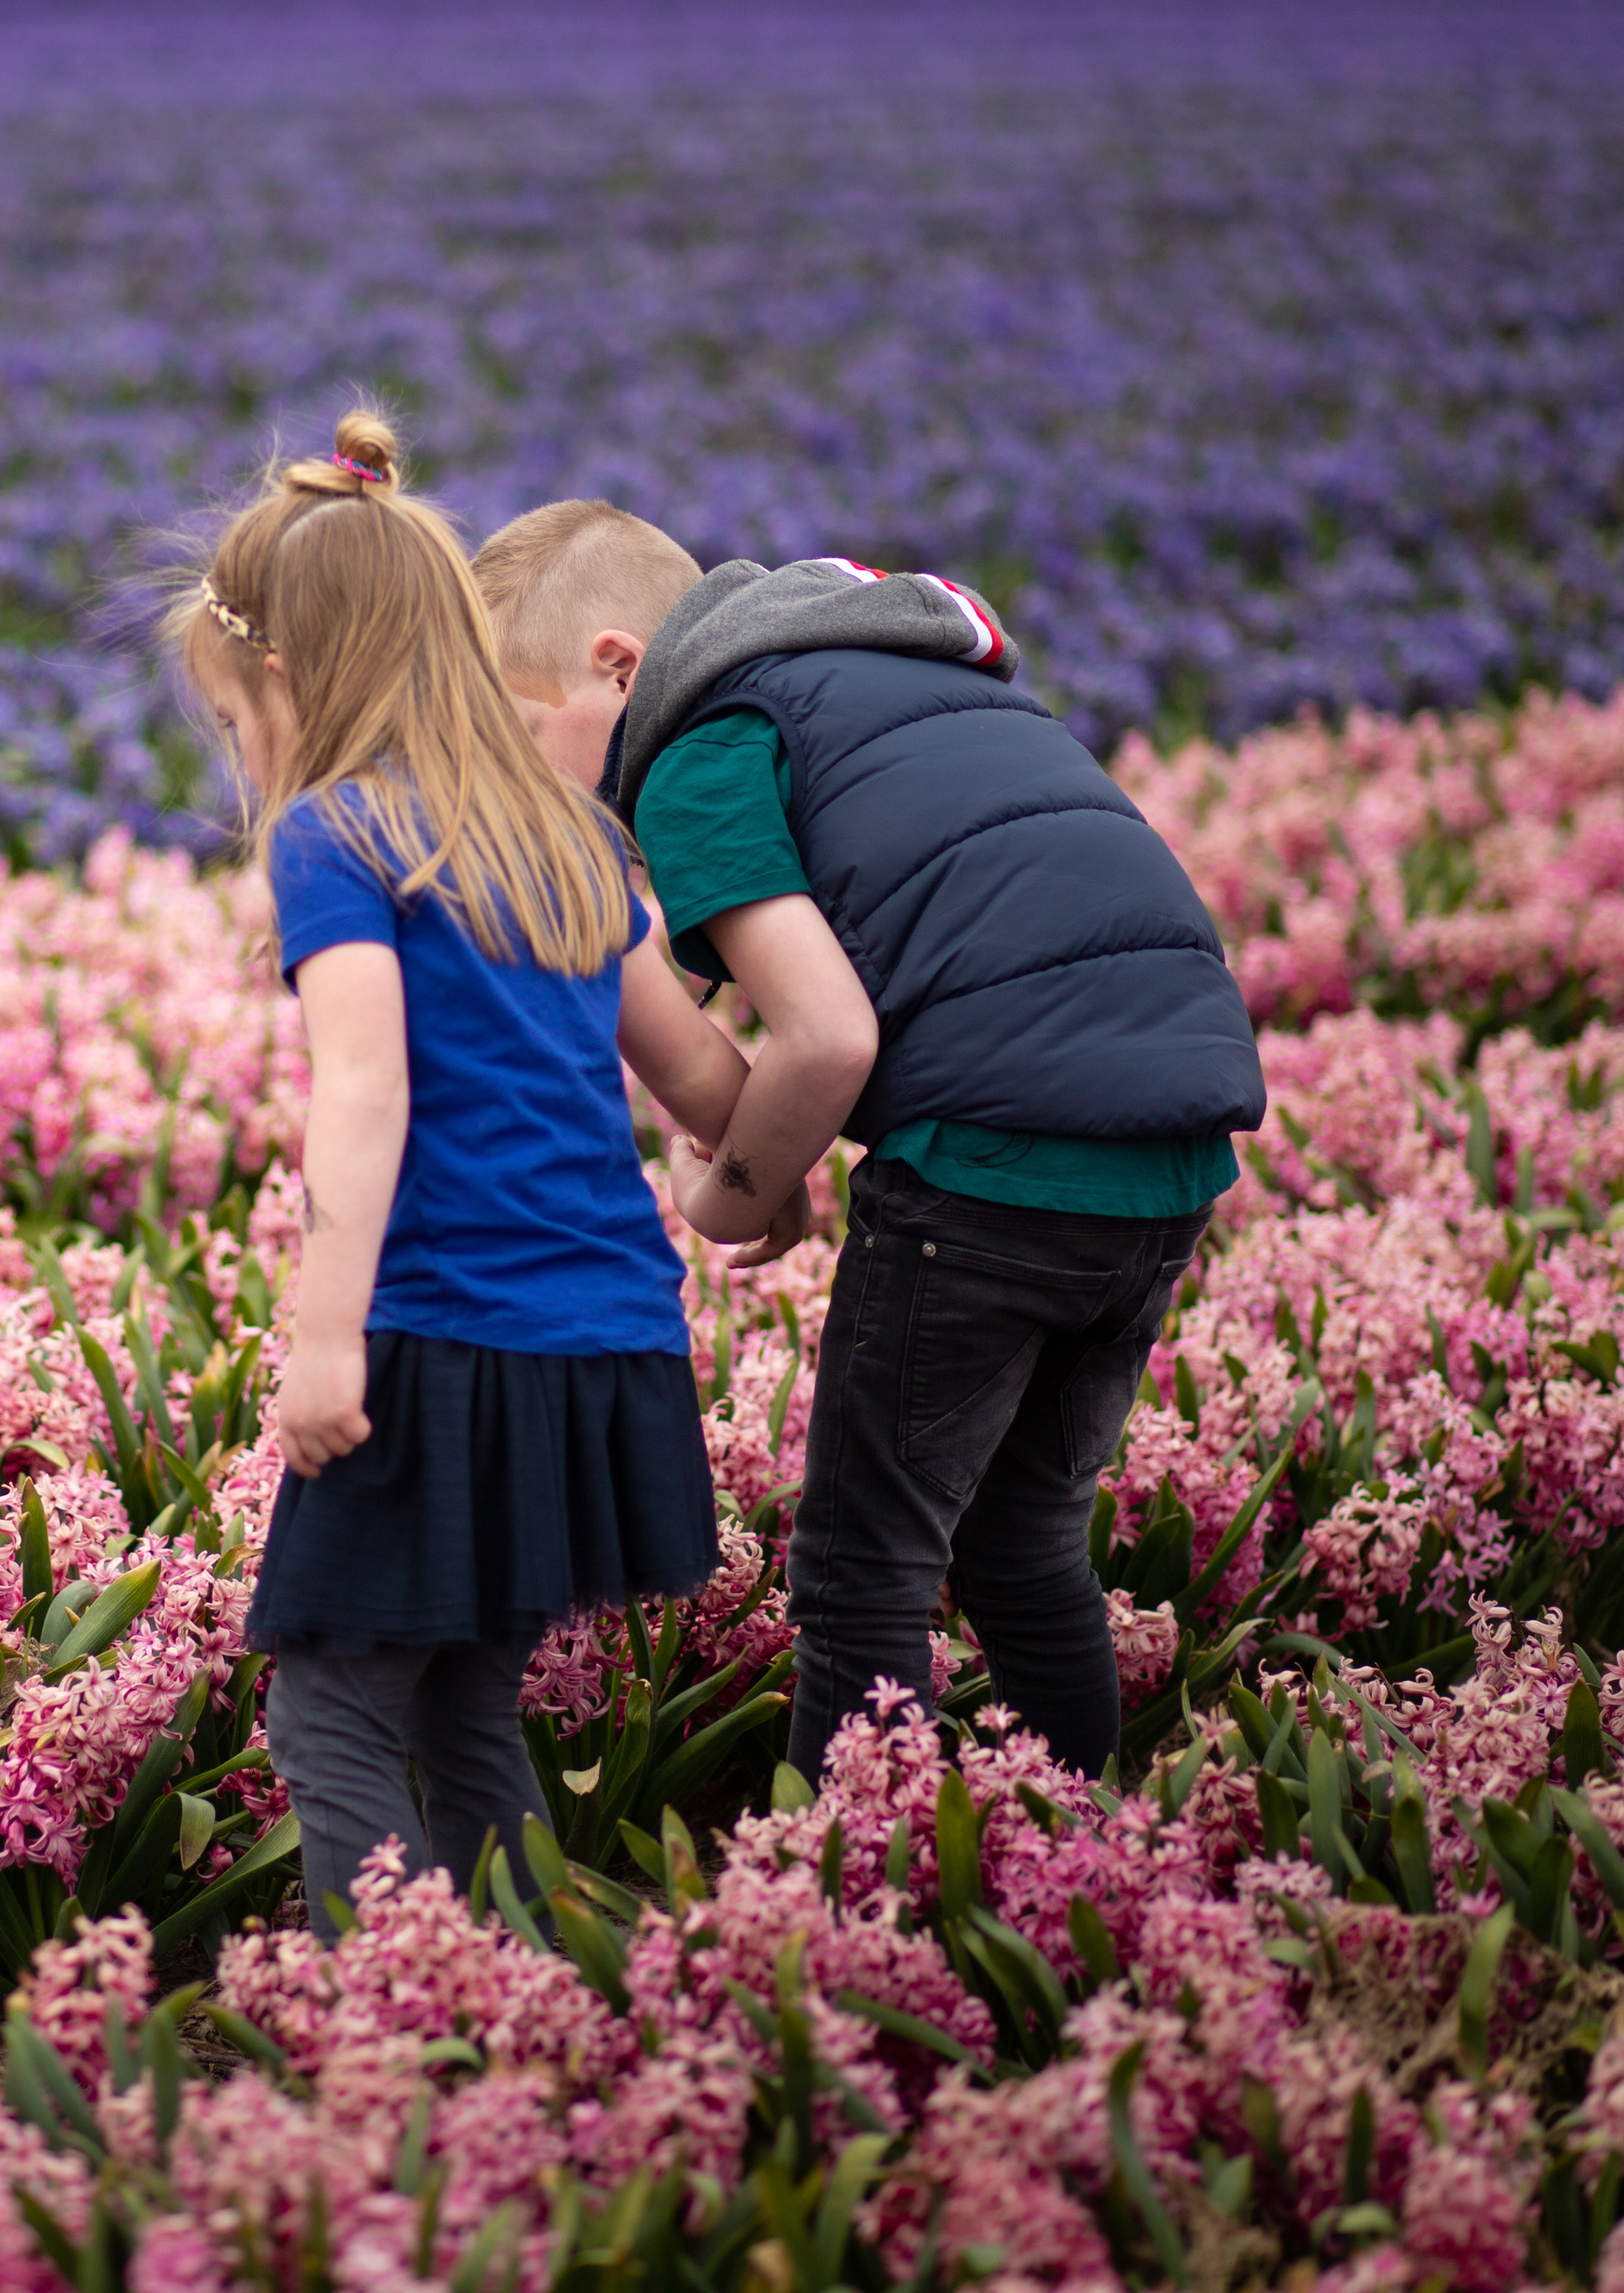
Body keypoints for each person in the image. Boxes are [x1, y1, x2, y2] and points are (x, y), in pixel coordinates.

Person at [472, 500, 1268, 1781]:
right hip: (1168, 1153)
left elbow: (828, 1037)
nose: (517, 778)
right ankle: (1089, 1848)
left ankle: (843, 1908)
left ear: (620, 668)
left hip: (991, 1168)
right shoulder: (887, 672)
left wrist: (732, 1194)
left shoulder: (695, 745)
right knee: (1020, 1546)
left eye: (515, 734)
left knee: (859, 1573)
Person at [178, 413, 802, 1938]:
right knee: (463, 1711)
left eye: (234, 717)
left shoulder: (336, 836)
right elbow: (706, 1077)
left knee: (329, 1715)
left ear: (288, 683)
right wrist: (777, 1177)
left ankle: (389, 2038)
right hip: (603, 1348)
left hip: (441, 1342)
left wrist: (327, 1339)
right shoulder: (568, 838)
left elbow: (367, 1093)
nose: (243, 753)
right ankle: (535, 1999)